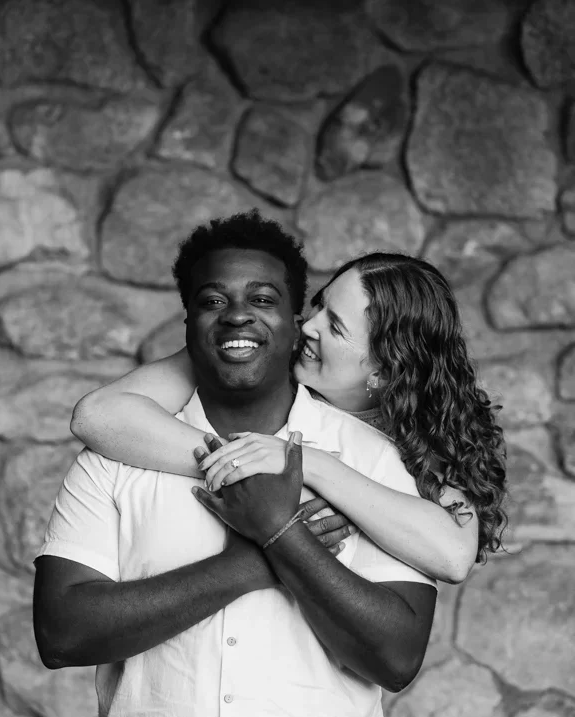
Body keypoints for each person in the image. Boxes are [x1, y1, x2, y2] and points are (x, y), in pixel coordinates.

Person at [33, 210, 437, 717]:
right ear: (188, 322)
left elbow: (396, 656)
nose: (238, 315)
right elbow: (62, 632)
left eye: (263, 298)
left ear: (297, 325)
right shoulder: (114, 459)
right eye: (213, 300)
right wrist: (257, 557)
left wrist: (280, 534)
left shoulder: (370, 464)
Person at [71, 219, 507, 583]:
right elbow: (97, 416)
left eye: (335, 327)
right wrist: (244, 464)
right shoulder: (259, 350)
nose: (308, 325)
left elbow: (453, 556)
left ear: (384, 370)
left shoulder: (425, 436)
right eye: (319, 306)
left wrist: (303, 464)